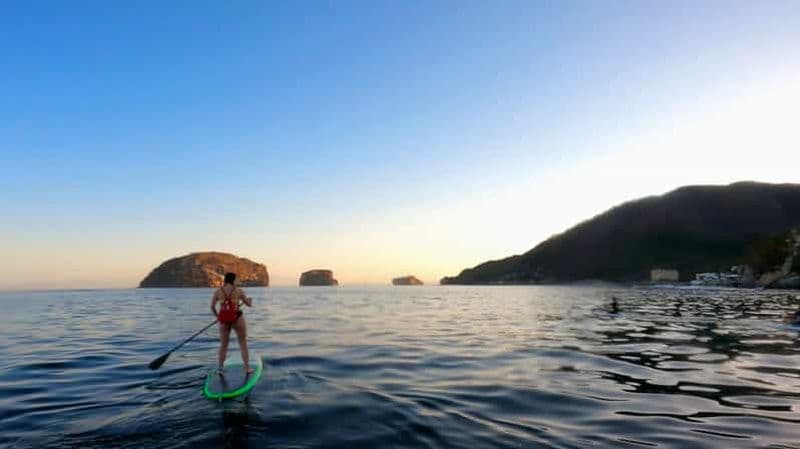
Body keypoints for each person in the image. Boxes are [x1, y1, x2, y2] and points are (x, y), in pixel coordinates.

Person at [210, 272, 254, 375]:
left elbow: (212, 307)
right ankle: (247, 368)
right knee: (243, 343)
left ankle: (220, 369)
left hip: (223, 320)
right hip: (237, 318)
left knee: (223, 345)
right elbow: (248, 304)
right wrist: (249, 301)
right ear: (233, 280)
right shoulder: (239, 291)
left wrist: (218, 317)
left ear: (225, 280)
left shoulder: (217, 292)